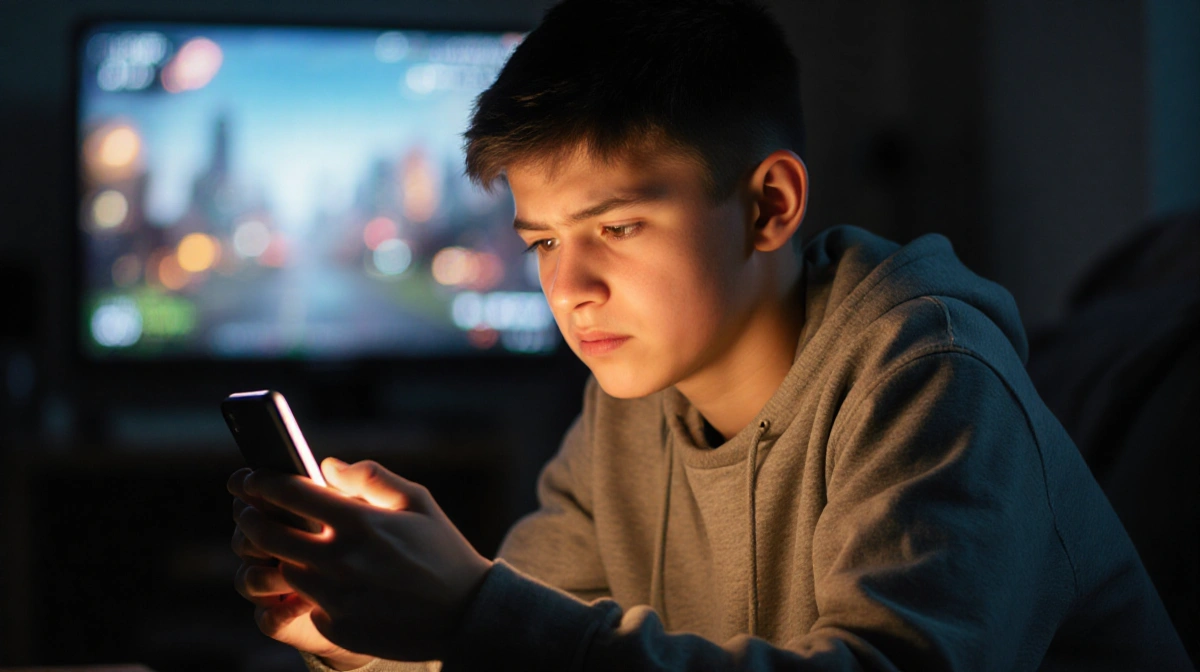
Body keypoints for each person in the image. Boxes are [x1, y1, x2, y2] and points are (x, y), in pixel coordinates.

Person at [227, 0, 1192, 670]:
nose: (570, 289)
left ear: (768, 205)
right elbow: (528, 647)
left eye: (617, 228)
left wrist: (467, 608)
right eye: (543, 241)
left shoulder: (931, 379)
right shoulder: (631, 407)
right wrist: (362, 628)